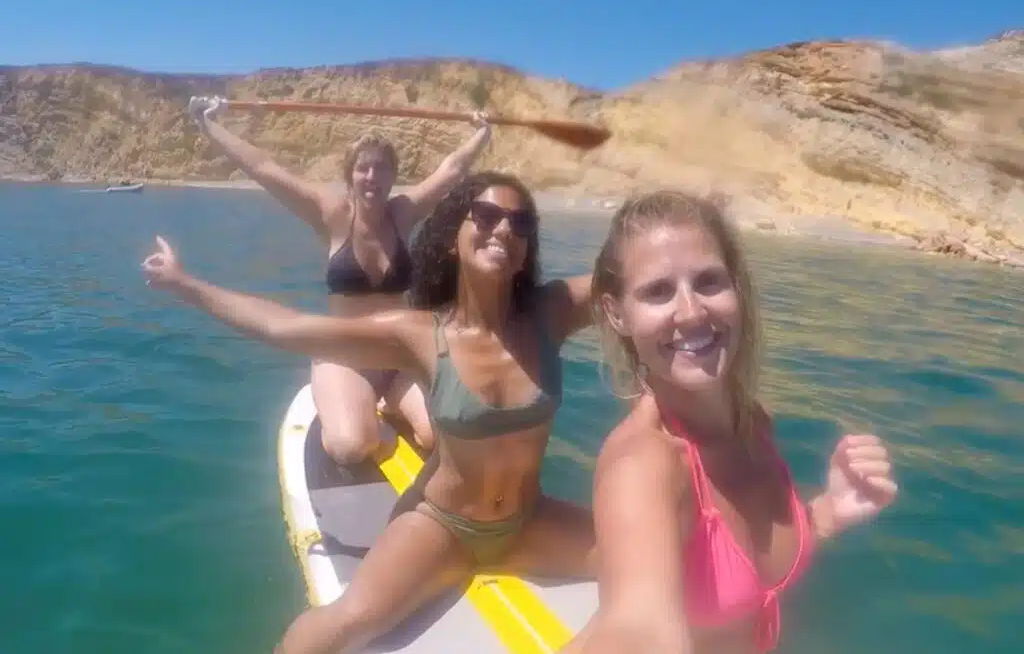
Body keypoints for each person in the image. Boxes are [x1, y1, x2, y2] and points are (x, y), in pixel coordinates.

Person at [142, 171, 597, 654]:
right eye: (485, 216)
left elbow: (636, 270)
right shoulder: (421, 335)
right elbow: (287, 327)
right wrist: (183, 283)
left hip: (528, 521)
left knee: (664, 558)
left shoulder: (554, 312)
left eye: (520, 222)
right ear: (451, 239)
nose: (504, 229)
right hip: (443, 527)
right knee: (338, 629)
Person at [562, 190, 898, 654]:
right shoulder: (644, 467)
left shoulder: (753, 421)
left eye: (708, 281)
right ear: (616, 314)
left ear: (736, 288)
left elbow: (748, 562)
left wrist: (828, 514)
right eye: (658, 291)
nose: (692, 311)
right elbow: (637, 631)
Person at [186, 94, 493, 464]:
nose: (372, 177)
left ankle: (392, 403)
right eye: (364, 167)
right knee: (351, 447)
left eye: (382, 168)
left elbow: (452, 169)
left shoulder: (403, 214)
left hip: (402, 358)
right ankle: (359, 410)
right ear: (350, 174)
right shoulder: (331, 215)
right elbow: (264, 167)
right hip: (344, 356)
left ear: (393, 176)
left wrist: (482, 132)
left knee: (440, 437)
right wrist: (208, 125)